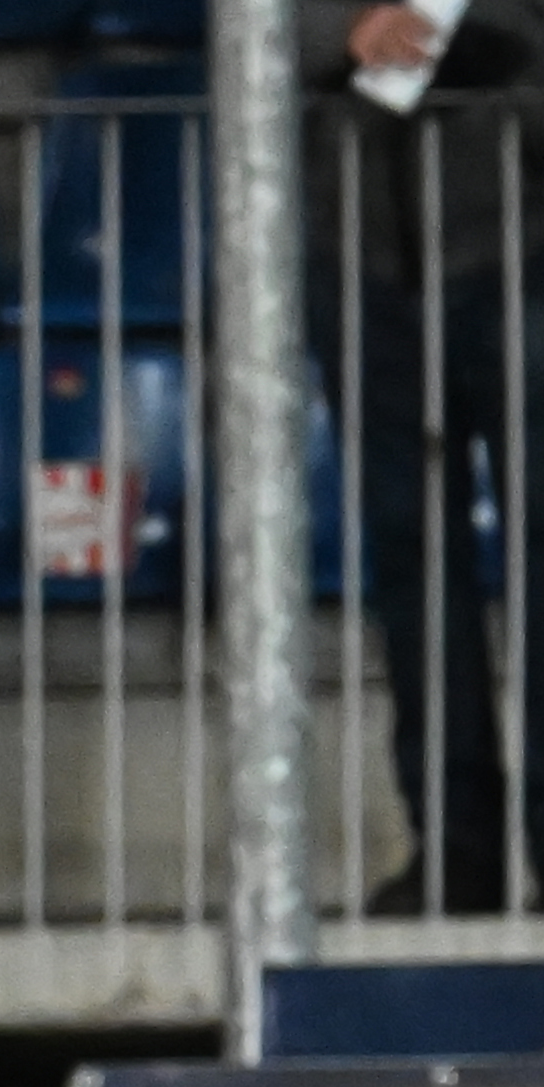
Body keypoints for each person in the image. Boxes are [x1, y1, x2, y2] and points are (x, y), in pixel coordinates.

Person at [306, 1, 544, 913]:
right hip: (358, 252)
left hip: (518, 237)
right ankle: (455, 852)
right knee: (411, 562)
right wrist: (343, 37)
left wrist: (489, 39)